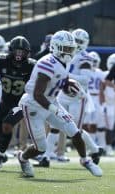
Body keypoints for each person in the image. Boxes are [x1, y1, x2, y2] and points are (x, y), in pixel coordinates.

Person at [17, 30, 102, 177]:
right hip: (34, 105)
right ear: (56, 47)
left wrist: (68, 85)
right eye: (66, 48)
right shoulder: (47, 63)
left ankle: (85, 160)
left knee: (74, 131)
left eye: (71, 48)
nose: (69, 51)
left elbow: (60, 79)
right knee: (41, 148)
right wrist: (54, 109)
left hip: (51, 101)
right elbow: (38, 94)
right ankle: (23, 158)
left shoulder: (64, 62)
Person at [38, 29, 102, 167]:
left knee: (75, 130)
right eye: (75, 40)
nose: (77, 44)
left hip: (77, 97)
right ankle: (46, 157)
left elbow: (85, 79)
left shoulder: (85, 57)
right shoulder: (65, 54)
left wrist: (66, 76)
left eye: (80, 42)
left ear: (85, 43)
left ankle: (95, 150)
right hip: (62, 94)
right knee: (54, 126)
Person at [0, 36, 35, 170]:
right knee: (1, 133)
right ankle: (2, 153)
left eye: (22, 51)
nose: (19, 54)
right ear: (11, 50)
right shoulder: (1, 60)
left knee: (7, 126)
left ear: (27, 52)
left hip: (20, 104)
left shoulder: (31, 65)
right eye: (17, 51)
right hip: (4, 101)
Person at [100, 53, 115, 156]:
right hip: (108, 103)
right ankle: (107, 147)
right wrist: (102, 99)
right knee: (107, 127)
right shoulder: (104, 74)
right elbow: (102, 86)